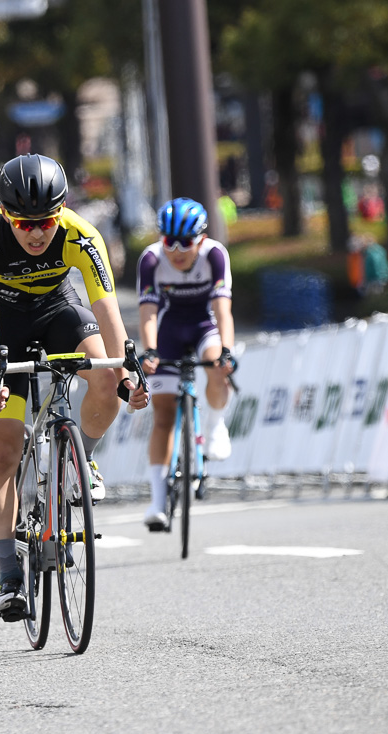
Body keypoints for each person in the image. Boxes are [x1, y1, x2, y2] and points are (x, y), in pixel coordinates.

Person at [0, 153, 148, 623]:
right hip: (5, 329)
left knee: (105, 381)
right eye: (24, 224)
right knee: (2, 449)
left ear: (61, 211)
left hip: (58, 313)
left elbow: (106, 310)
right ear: (6, 214)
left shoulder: (82, 236)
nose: (36, 233)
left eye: (45, 221)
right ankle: (9, 574)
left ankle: (77, 458)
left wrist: (127, 374)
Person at [136, 198, 236, 532]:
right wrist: (149, 350)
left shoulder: (215, 255)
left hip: (204, 325)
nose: (177, 251)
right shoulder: (151, 259)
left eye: (186, 243)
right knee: (163, 414)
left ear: (202, 239)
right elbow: (148, 312)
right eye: (169, 242)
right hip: (168, 328)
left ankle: (215, 423)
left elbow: (223, 310)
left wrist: (228, 352)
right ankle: (157, 501)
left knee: (215, 363)